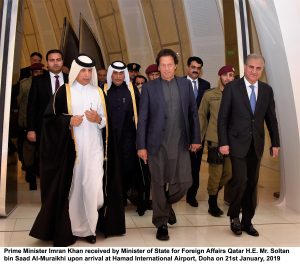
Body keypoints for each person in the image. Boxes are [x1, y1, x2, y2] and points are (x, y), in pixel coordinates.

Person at [29, 54, 107, 246]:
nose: (87, 74)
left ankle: (90, 228)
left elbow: (106, 122)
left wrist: (98, 120)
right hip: (72, 153)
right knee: (74, 191)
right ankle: (73, 229)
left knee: (93, 191)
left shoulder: (98, 92)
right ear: (74, 71)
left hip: (94, 150)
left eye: (89, 70)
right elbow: (49, 120)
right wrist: (68, 121)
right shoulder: (64, 92)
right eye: (83, 70)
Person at [137, 49, 201, 241]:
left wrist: (196, 138)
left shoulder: (185, 85)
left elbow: (192, 114)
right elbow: (143, 119)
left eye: (169, 64)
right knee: (157, 183)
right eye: (162, 65)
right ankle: (161, 223)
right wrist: (141, 146)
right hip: (156, 144)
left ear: (175, 66)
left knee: (185, 182)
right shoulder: (149, 88)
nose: (166, 68)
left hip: (180, 143)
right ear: (158, 67)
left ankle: (164, 204)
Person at [218, 54, 280, 237]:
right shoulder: (232, 88)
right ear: (244, 67)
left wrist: (275, 143)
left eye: (258, 68)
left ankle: (247, 221)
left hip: (256, 145)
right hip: (236, 143)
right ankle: (234, 218)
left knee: (252, 183)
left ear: (262, 70)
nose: (254, 71)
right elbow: (223, 119)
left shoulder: (267, 90)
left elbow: (271, 119)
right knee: (240, 181)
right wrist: (223, 142)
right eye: (251, 67)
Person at [103, 61, 149, 216]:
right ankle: (118, 199)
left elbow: (141, 113)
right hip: (110, 139)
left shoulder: (131, 89)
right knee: (114, 169)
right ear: (110, 75)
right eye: (114, 73)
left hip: (129, 139)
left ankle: (135, 197)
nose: (117, 76)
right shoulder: (103, 90)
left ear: (125, 74)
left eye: (121, 73)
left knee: (130, 169)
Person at [199, 65, 235, 216]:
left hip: (232, 140)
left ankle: (213, 193)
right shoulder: (210, 95)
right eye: (225, 75)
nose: (228, 78)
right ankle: (212, 203)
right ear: (220, 76)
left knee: (229, 173)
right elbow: (201, 116)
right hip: (215, 140)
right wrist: (198, 140)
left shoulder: (237, 94)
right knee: (216, 174)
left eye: (231, 75)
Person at [185, 56, 211, 207]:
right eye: (193, 67)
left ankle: (191, 195)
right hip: (181, 133)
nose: (195, 70)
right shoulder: (179, 82)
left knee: (195, 166)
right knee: (178, 165)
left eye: (198, 68)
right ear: (188, 67)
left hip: (198, 133)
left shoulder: (206, 85)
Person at [17, 63, 44, 190]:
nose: (38, 73)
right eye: (36, 72)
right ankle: (30, 175)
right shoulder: (25, 84)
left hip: (42, 123)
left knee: (40, 152)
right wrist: (24, 122)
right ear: (31, 73)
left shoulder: (46, 83)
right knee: (29, 152)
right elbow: (20, 103)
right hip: (27, 122)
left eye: (40, 71)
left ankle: (37, 173)